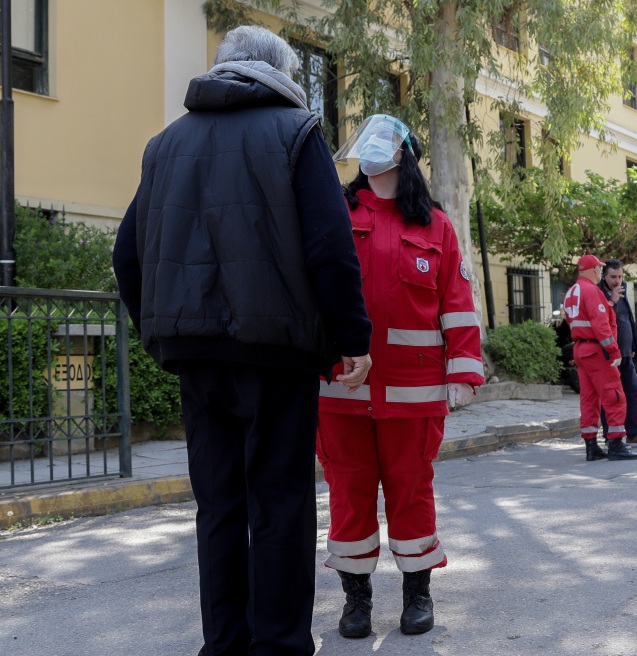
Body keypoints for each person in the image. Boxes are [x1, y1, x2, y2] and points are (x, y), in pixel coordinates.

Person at [111, 26, 372, 656]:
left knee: (219, 506)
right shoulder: (297, 132)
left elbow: (126, 254)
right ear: (280, 72)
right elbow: (330, 248)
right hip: (277, 350)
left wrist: (160, 331)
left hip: (195, 352)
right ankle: (279, 646)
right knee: (279, 503)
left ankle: (223, 645)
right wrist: (352, 338)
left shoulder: (165, 145)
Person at [318, 114, 485, 639]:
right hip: (341, 388)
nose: (371, 150)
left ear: (404, 155)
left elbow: (457, 304)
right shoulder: (334, 213)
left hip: (414, 394)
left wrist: (463, 371)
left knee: (411, 490)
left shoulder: (436, 226)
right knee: (349, 491)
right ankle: (356, 600)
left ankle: (417, 593)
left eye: (384, 142)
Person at [563, 255, 637, 462]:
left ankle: (591, 446)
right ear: (592, 270)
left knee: (589, 399)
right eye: (598, 268)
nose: (599, 272)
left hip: (581, 350)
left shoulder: (572, 292)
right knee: (614, 395)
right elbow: (601, 325)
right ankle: (616, 445)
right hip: (597, 351)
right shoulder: (592, 291)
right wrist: (614, 351)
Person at [598, 259, 637, 446]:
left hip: (625, 354)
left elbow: (628, 319)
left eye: (620, 276)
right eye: (613, 277)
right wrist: (612, 300)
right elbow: (601, 320)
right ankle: (610, 437)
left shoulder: (622, 291)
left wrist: (633, 346)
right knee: (611, 397)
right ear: (604, 276)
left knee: (632, 392)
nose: (617, 280)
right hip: (609, 356)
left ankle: (634, 433)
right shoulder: (599, 294)